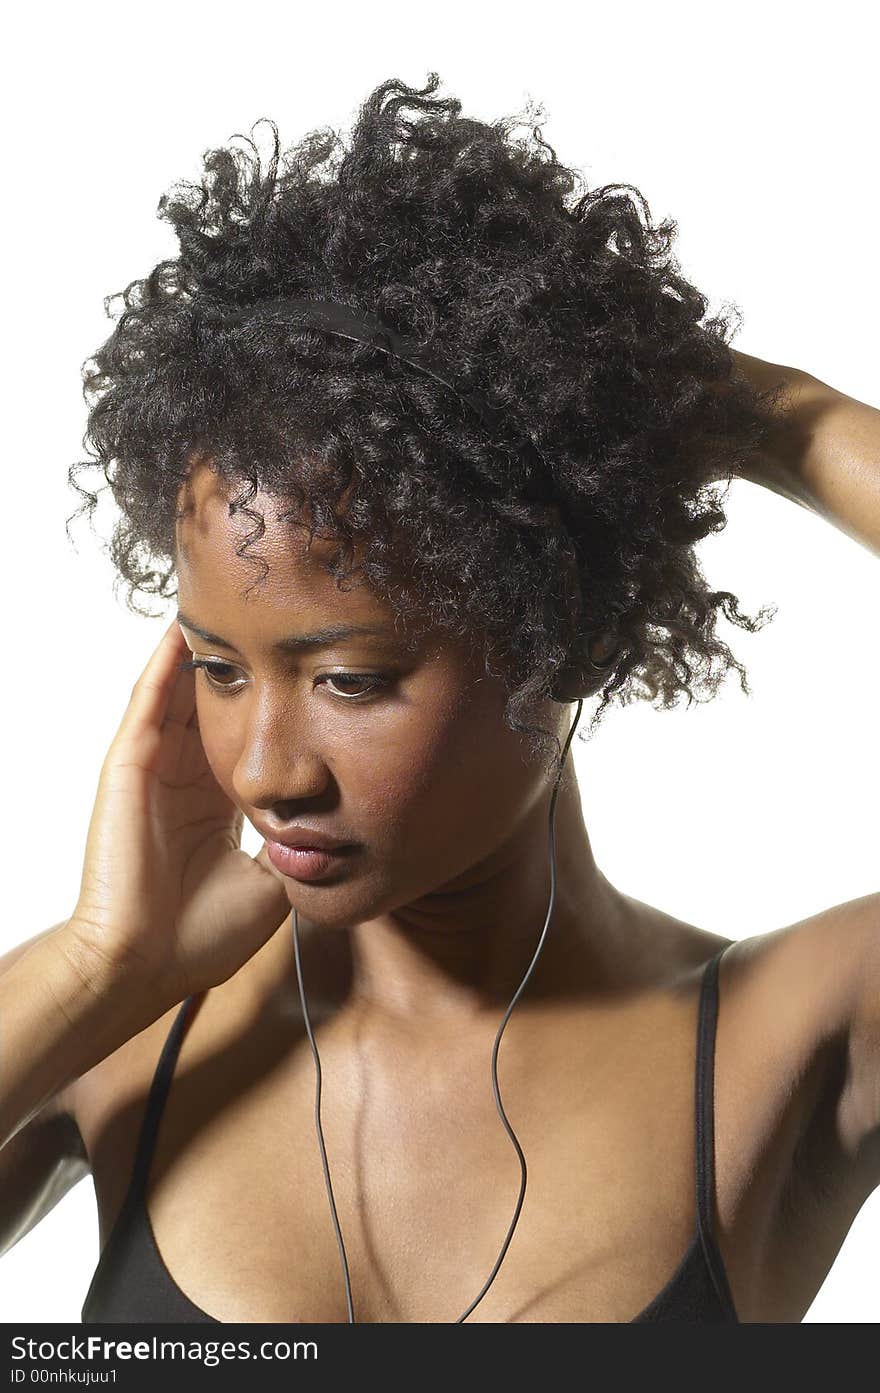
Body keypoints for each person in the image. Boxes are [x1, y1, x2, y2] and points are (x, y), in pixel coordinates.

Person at [1, 73, 879, 1326]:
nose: (263, 769)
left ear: (564, 640)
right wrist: (95, 964)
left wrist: (747, 411)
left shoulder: (790, 1036)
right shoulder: (116, 1044)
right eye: (217, 665)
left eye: (349, 679)